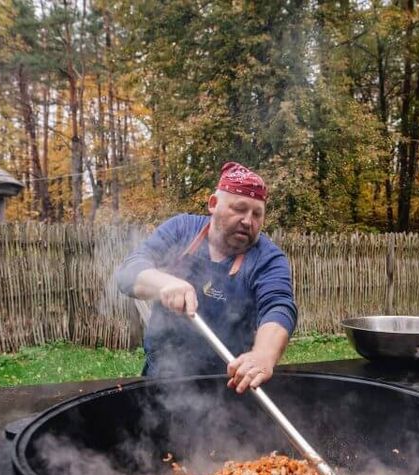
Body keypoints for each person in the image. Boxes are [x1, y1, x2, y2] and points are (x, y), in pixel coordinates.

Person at [116, 162, 297, 394]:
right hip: (161, 377)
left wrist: (263, 354)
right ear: (213, 204)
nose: (247, 221)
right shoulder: (181, 229)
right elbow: (128, 272)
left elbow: (279, 306)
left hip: (229, 385)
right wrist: (165, 283)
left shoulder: (268, 258)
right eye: (239, 209)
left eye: (257, 214)